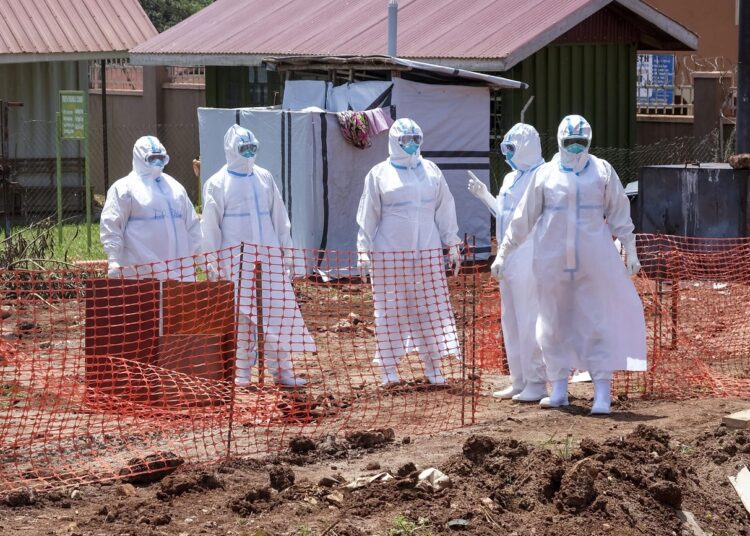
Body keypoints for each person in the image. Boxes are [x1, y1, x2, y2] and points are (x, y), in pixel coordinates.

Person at [492, 115, 646, 415]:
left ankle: (602, 392)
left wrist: (630, 249)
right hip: (551, 263)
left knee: (596, 321)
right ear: (560, 142)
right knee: (552, 322)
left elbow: (619, 212)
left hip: (594, 262)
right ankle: (558, 387)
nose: (575, 149)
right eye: (569, 143)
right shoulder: (546, 174)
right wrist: (504, 253)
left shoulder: (601, 171)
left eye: (581, 143)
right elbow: (523, 219)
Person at [201, 124, 314, 387]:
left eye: (253, 148)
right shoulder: (217, 183)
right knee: (242, 317)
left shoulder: (264, 177)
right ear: (232, 149)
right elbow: (210, 227)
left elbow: (280, 218)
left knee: (278, 313)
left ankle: (282, 372)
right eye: (244, 148)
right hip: (237, 262)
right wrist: (213, 263)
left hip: (270, 259)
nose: (249, 153)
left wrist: (289, 254)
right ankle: (242, 373)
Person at [356, 118, 463, 386]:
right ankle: (389, 369)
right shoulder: (379, 174)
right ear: (394, 141)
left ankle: (433, 366)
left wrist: (452, 242)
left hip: (426, 253)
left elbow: (445, 208)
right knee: (390, 309)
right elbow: (368, 214)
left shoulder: (432, 172)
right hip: (390, 254)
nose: (412, 145)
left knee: (430, 307)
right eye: (406, 140)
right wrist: (363, 249)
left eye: (416, 139)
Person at [467, 123, 548, 402]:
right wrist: (485, 196)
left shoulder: (543, 175)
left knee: (529, 319)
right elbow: (505, 213)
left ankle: (537, 382)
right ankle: (519, 380)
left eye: (511, 148)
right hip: (507, 255)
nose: (507, 154)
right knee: (510, 318)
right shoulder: (511, 178)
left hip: (530, 254)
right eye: (505, 148)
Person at [100, 135, 201, 280]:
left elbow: (192, 226)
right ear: (140, 157)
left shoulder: (175, 187)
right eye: (152, 158)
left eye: (161, 157)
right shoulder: (124, 188)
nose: (157, 162)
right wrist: (113, 260)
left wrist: (203, 258)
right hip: (142, 276)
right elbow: (112, 226)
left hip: (180, 277)